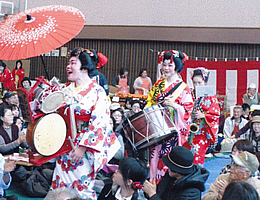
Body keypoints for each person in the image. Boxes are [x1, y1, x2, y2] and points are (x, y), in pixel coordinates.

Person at [51, 47, 120, 199]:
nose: (68, 66)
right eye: (68, 63)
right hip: (65, 144)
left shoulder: (97, 91)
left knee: (81, 188)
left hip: (84, 148)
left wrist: (82, 147)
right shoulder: (65, 89)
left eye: (73, 63)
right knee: (59, 186)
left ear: (84, 67)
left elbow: (100, 122)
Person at [145, 50, 193, 181]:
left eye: (170, 65)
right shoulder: (158, 85)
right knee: (154, 160)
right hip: (157, 129)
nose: (166, 68)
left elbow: (188, 111)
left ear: (177, 67)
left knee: (168, 163)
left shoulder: (184, 88)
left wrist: (175, 106)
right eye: (164, 65)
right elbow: (150, 101)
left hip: (171, 133)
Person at [183, 67, 220, 165]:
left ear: (205, 82)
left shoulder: (211, 96)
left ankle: (196, 178)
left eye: (199, 82)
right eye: (195, 83)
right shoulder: (190, 94)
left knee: (198, 156)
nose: (197, 85)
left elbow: (216, 114)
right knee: (186, 156)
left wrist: (203, 115)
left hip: (202, 132)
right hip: (189, 130)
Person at [142, 146, 209, 200]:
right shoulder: (171, 176)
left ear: (177, 170)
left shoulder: (192, 193)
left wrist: (152, 194)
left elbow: (155, 196)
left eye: (170, 167)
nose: (168, 169)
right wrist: (150, 190)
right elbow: (160, 194)